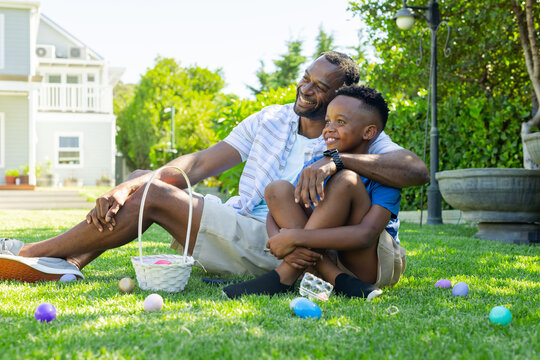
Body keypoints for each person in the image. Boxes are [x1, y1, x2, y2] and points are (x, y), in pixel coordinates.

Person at [0, 52, 427, 283]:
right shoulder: (270, 118)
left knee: (153, 193)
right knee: (138, 182)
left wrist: (336, 159)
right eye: (305, 78)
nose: (306, 89)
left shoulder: (351, 135)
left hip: (293, 242)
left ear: (342, 96)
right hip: (251, 226)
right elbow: (201, 163)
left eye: (320, 87)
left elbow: (415, 169)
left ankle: (30, 255)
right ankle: (70, 261)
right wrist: (126, 188)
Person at [223, 85, 404, 300]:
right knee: (276, 189)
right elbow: (277, 211)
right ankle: (333, 276)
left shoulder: (385, 174)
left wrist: (294, 237)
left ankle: (284, 275)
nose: (329, 128)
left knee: (346, 180)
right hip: (328, 254)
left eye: (341, 122)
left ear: (368, 132)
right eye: (328, 121)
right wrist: (276, 237)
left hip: (367, 264)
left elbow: (365, 235)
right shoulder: (316, 166)